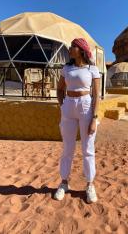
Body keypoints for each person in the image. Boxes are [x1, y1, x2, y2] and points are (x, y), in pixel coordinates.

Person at [54, 38, 101, 203]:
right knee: (67, 148)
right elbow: (59, 89)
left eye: (73, 46)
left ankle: (90, 185)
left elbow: (96, 95)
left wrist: (94, 118)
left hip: (86, 107)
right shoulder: (66, 68)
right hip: (68, 107)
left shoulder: (92, 69)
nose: (70, 48)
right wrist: (62, 105)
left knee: (87, 148)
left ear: (81, 49)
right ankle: (64, 183)